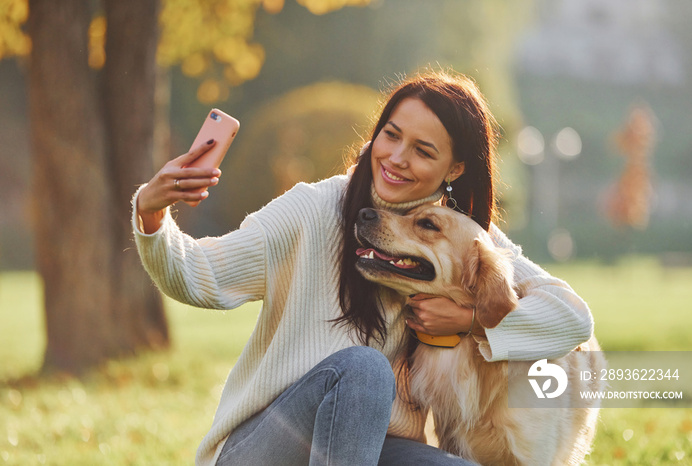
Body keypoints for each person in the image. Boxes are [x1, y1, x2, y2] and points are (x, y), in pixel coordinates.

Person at [132, 69, 593, 466]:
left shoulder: (451, 236)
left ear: (454, 170)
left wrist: (472, 321)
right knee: (364, 370)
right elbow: (199, 275)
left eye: (423, 151)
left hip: (368, 449)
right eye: (391, 135)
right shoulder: (313, 210)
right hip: (262, 451)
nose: (396, 157)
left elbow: (572, 317)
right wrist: (152, 214)